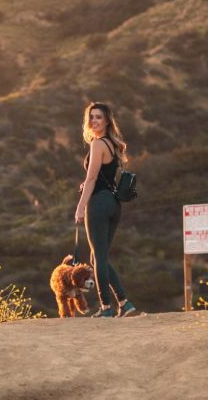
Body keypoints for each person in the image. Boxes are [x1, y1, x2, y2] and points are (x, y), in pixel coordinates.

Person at [75, 102, 137, 318]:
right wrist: (89, 187)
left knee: (98, 258)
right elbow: (104, 177)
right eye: (91, 117)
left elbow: (92, 178)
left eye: (98, 117)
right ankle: (125, 303)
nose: (94, 121)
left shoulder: (98, 144)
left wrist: (80, 207)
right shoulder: (114, 144)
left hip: (99, 204)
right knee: (98, 257)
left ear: (107, 120)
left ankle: (106, 307)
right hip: (113, 204)